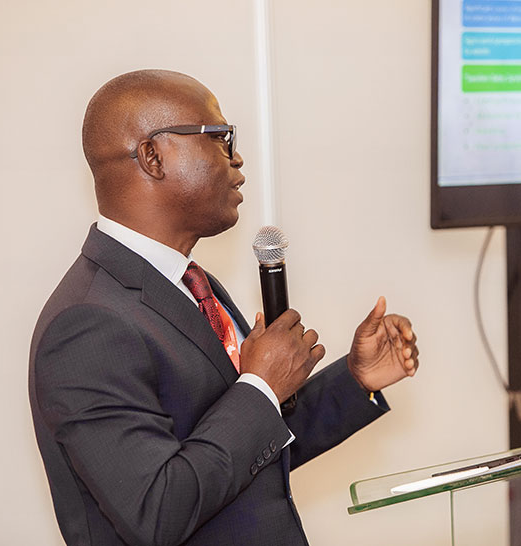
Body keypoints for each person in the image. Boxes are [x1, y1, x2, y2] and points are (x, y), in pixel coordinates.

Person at [28, 69, 419, 546]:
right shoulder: (86, 325)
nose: (237, 159)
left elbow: (250, 455)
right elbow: (157, 512)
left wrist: (355, 379)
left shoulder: (192, 284)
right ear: (152, 156)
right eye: (219, 137)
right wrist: (260, 386)